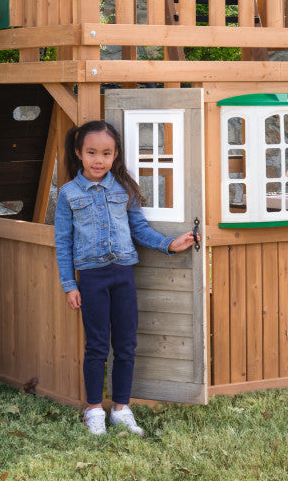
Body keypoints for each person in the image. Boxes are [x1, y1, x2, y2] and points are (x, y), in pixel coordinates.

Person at [54, 120, 196, 436]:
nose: (98, 160)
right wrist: (69, 285)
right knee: (97, 346)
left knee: (126, 344)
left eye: (106, 153)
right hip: (91, 279)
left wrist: (169, 244)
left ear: (115, 154)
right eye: (91, 152)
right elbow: (62, 243)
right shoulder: (68, 194)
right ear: (79, 153)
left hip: (123, 276)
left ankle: (121, 408)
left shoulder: (124, 189)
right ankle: (93, 410)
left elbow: (139, 229)